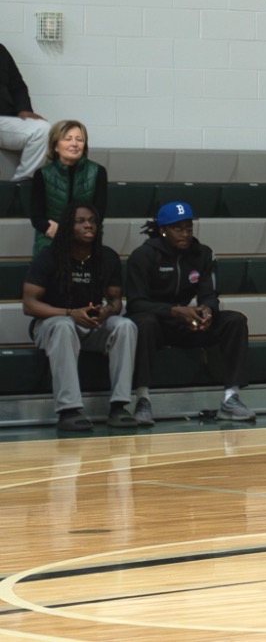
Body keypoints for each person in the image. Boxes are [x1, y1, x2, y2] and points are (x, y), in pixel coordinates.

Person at [124, 201, 255, 425]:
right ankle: (142, 400)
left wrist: (207, 312)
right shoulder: (143, 256)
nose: (185, 233)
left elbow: (210, 294)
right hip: (157, 321)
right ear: (163, 230)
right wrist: (174, 311)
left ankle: (231, 398)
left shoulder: (202, 254)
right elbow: (136, 303)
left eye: (188, 227)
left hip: (186, 321)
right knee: (144, 323)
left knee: (235, 320)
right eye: (178, 228)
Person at [23, 203, 138, 431]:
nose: (88, 225)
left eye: (92, 221)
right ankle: (69, 410)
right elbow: (29, 304)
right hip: (52, 324)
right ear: (67, 226)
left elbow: (116, 301)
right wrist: (69, 313)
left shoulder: (107, 257)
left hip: (91, 324)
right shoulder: (49, 257)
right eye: (81, 221)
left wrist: (106, 311)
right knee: (65, 326)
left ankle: (119, 406)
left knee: (126, 326)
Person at [29, 121, 108, 254]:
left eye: (79, 140)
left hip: (85, 238)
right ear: (55, 146)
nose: (74, 144)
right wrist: (57, 232)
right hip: (50, 238)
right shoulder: (42, 174)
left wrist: (73, 233)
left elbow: (98, 214)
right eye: (68, 139)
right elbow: (37, 218)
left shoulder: (98, 172)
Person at [0, 41, 50, 182]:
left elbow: (18, 86)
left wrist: (24, 109)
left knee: (43, 130)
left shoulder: (1, 50)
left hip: (4, 120)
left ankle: (20, 185)